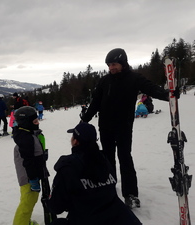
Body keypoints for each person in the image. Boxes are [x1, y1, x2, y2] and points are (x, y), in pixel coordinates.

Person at [80, 48, 170, 208]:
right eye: (109, 65)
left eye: (114, 64)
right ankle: (108, 189)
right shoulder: (104, 81)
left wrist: (167, 95)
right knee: (107, 159)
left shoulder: (134, 78)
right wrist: (85, 120)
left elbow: (150, 88)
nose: (111, 68)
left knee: (125, 158)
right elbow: (95, 102)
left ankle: (130, 194)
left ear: (122, 63)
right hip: (105, 126)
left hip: (124, 126)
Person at [48, 123, 142, 225]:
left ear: (75, 141)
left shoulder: (68, 167)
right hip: (120, 217)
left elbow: (55, 207)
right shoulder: (104, 160)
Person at [12, 106, 49, 225]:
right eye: (35, 121)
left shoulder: (28, 134)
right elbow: (28, 160)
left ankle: (25, 222)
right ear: (26, 122)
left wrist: (42, 156)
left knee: (29, 200)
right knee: (27, 202)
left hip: (33, 172)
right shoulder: (26, 139)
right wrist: (32, 179)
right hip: (28, 177)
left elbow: (33, 154)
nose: (38, 123)